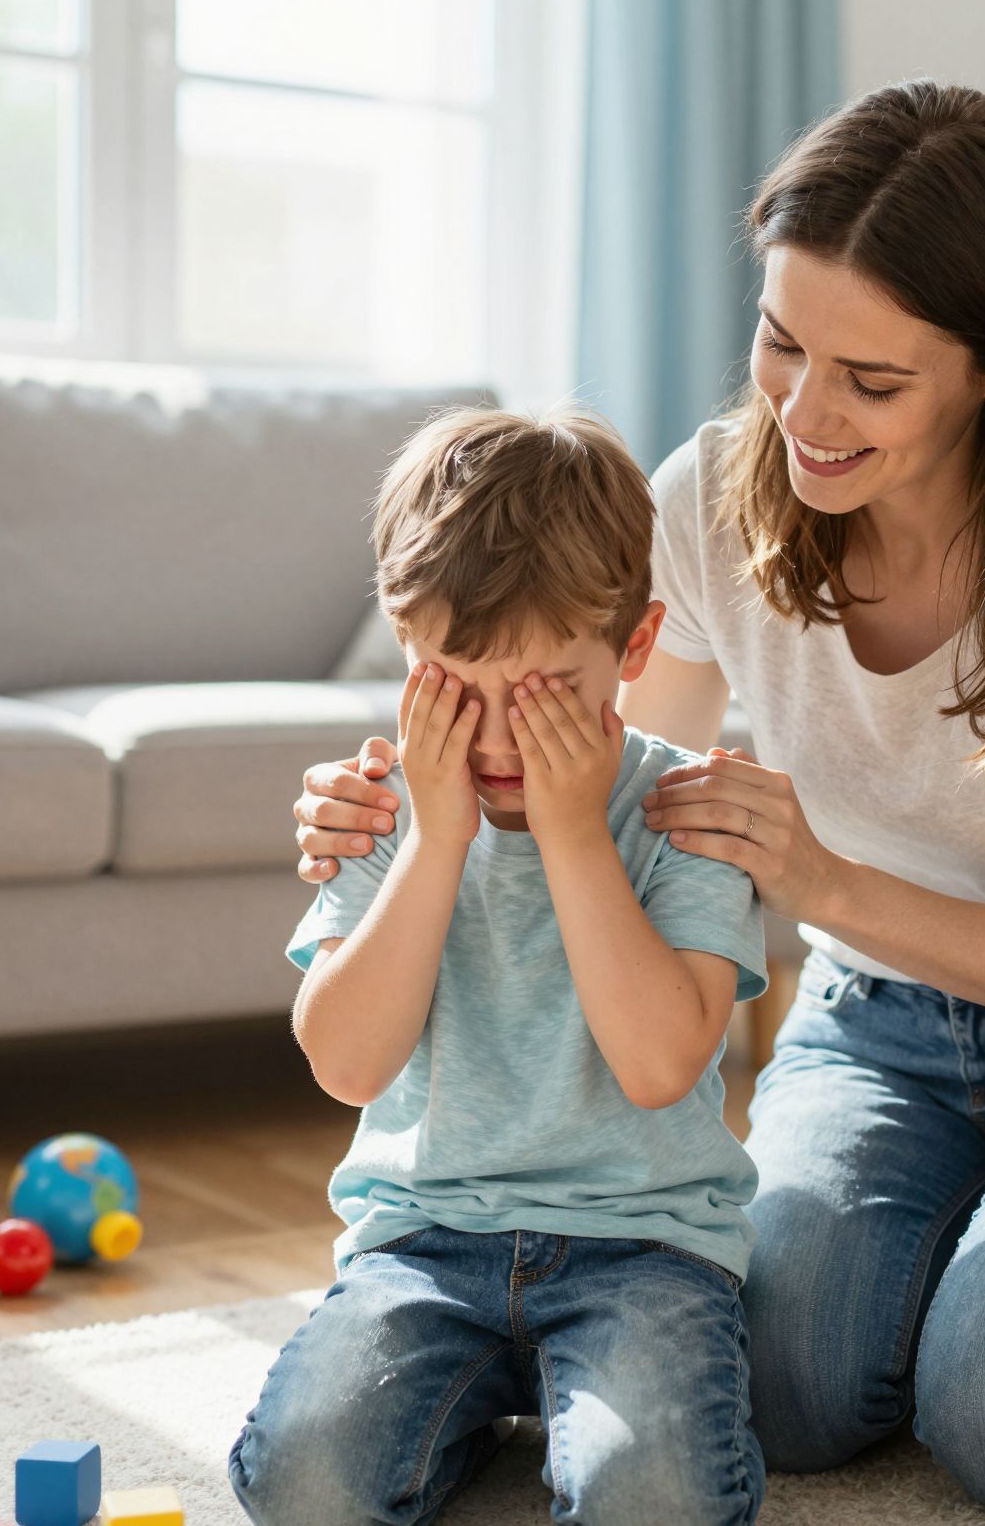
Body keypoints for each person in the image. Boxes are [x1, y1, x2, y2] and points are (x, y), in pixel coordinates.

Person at [291, 81, 985, 1524]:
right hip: (877, 1033)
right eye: (780, 344)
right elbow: (604, 785)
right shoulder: (711, 502)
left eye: (871, 381)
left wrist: (819, 886)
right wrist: (394, 812)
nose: (804, 415)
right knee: (779, 1393)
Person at [233, 409, 770, 1526]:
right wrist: (431, 844)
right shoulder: (385, 809)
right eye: (453, 688)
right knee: (305, 1485)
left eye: (538, 694)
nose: (489, 741)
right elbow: (345, 1061)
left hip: (647, 1253)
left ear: (632, 650)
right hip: (420, 1247)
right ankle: (469, 1417)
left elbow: (662, 1065)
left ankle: (521, 1414)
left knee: (655, 1498)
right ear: (405, 644)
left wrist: (575, 837)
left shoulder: (683, 811)